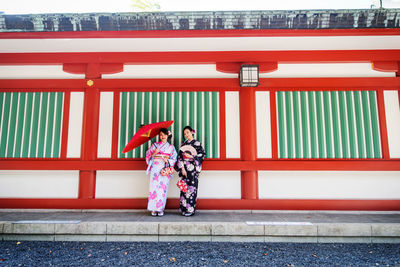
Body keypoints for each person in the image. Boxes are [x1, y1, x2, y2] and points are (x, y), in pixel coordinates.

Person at [145, 128, 177, 216]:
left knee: (162, 189)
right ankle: (153, 208)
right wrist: (154, 153)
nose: (162, 136)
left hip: (164, 168)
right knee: (154, 188)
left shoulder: (171, 147)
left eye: (164, 135)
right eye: (161, 135)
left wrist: (168, 161)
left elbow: (174, 158)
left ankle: (160, 209)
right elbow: (148, 156)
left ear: (168, 135)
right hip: (155, 169)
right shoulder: (155, 145)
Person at [176, 126, 206, 216]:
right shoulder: (183, 145)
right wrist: (182, 168)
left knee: (192, 189)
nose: (186, 135)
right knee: (184, 188)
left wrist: (192, 156)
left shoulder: (197, 143)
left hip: (193, 169)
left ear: (192, 132)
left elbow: (202, 155)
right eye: (185, 133)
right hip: (184, 169)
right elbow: (180, 157)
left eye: (187, 132)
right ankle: (184, 208)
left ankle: (190, 210)